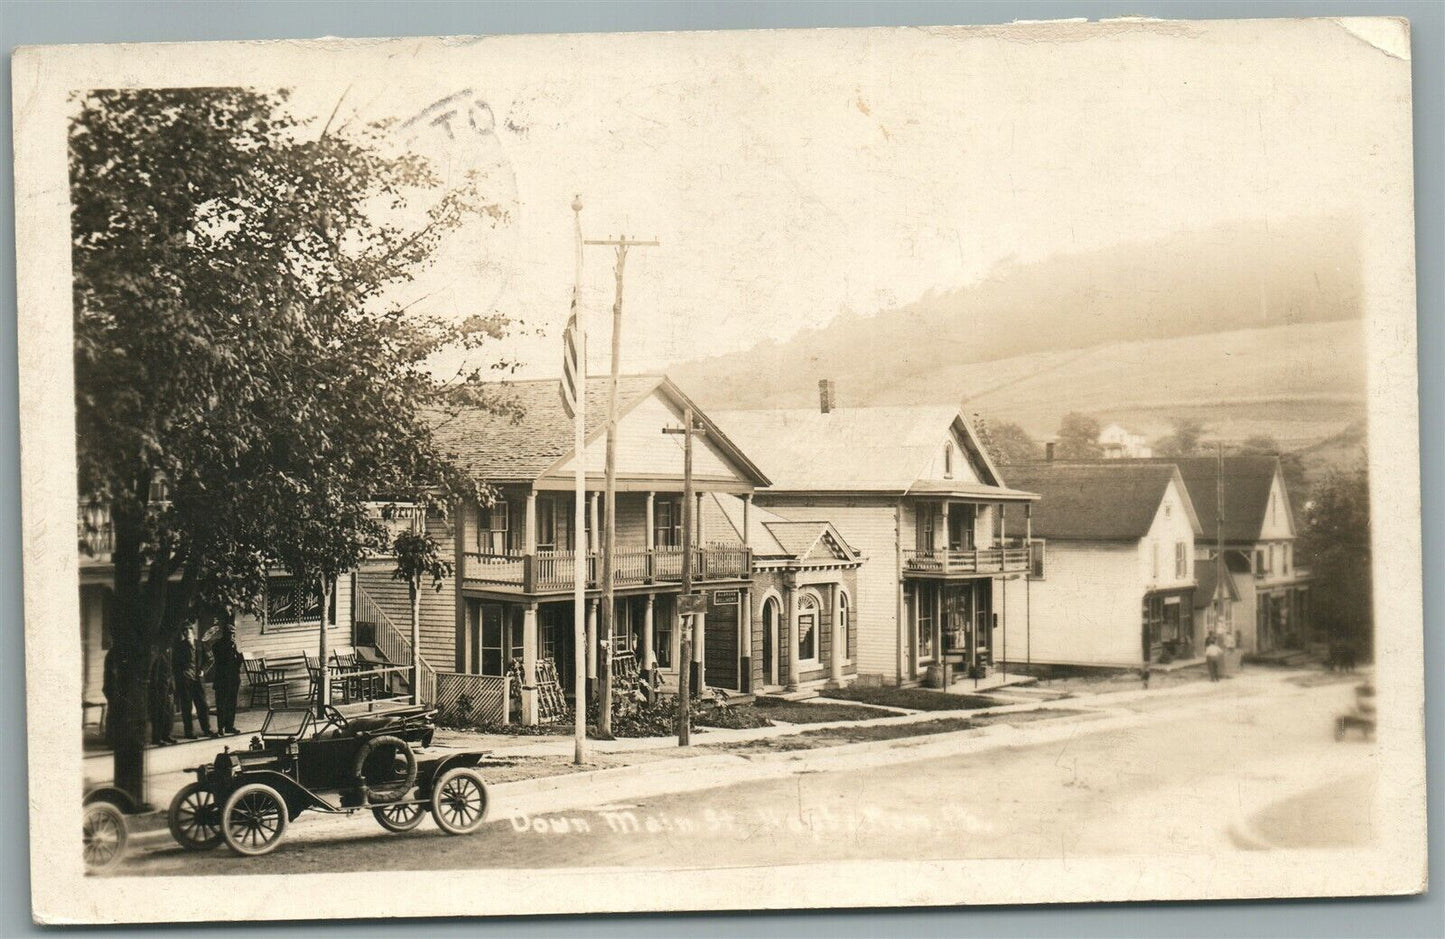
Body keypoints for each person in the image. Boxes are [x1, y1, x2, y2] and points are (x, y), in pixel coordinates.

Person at [172, 624, 216, 739]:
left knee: (202, 705)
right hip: (185, 680)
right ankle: (189, 732)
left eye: (189, 630)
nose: (186, 633)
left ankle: (206, 729)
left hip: (198, 680)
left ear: (193, 632)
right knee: (186, 706)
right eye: (184, 631)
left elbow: (210, 659)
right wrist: (182, 673)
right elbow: (174, 664)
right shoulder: (179, 647)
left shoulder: (200, 644)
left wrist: (203, 670)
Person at [211, 623, 245, 735]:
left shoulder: (233, 646)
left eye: (233, 634)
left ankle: (229, 726)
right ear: (225, 634)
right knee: (221, 705)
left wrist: (238, 652)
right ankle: (221, 728)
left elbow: (238, 662)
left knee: (232, 704)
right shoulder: (218, 645)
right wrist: (230, 648)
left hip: (233, 680)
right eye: (230, 634)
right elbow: (222, 661)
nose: (232, 637)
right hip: (222, 680)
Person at [147, 645, 177, 746]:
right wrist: (154, 688)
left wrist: (172, 684)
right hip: (158, 688)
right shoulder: (156, 650)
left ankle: (166, 735)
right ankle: (157, 738)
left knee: (169, 712)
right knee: (158, 713)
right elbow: (153, 672)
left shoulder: (170, 650)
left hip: (169, 687)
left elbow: (171, 669)